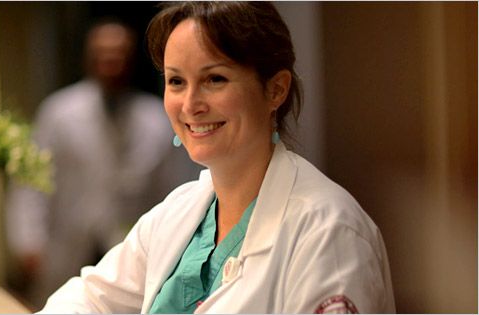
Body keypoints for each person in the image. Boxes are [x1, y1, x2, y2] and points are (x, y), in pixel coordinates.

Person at [37, 2, 395, 313]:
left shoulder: (329, 232)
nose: (191, 105)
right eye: (176, 81)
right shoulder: (180, 212)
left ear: (275, 89)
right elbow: (90, 297)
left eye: (215, 79)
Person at [5, 19, 200, 308]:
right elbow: (31, 181)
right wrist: (27, 240)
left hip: (128, 246)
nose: (111, 61)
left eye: (119, 53)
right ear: (88, 58)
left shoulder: (157, 119)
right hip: (66, 246)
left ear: (132, 59)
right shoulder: (59, 113)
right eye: (103, 53)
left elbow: (176, 192)